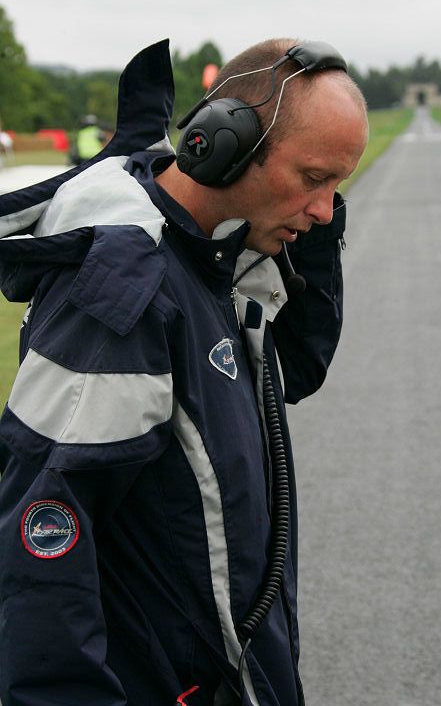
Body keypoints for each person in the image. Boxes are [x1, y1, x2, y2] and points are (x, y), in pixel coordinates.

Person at [0, 37, 368, 706]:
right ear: (218, 144)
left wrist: (307, 224)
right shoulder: (122, 297)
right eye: (314, 178)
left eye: (337, 186)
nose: (322, 211)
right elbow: (41, 550)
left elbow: (295, 368)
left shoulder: (214, 260)